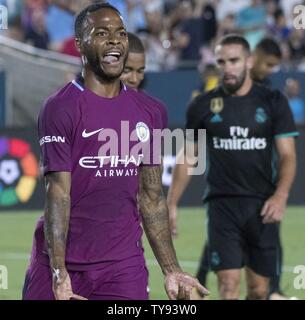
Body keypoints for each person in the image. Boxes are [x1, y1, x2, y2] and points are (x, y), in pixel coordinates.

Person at [22, 2, 208, 300]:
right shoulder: (60, 108)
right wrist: (59, 273)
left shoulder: (150, 111)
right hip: (60, 263)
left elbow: (151, 196)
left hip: (121, 266)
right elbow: (58, 193)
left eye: (121, 33)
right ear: (81, 45)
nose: (114, 40)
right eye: (102, 33)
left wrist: (171, 269)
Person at [167, 34, 298, 299]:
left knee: (260, 290)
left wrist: (281, 195)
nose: (227, 67)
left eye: (234, 60)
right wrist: (171, 204)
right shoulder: (202, 105)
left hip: (262, 205)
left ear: (249, 61)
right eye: (221, 62)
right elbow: (187, 156)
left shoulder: (273, 101)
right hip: (221, 206)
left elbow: (288, 156)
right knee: (228, 285)